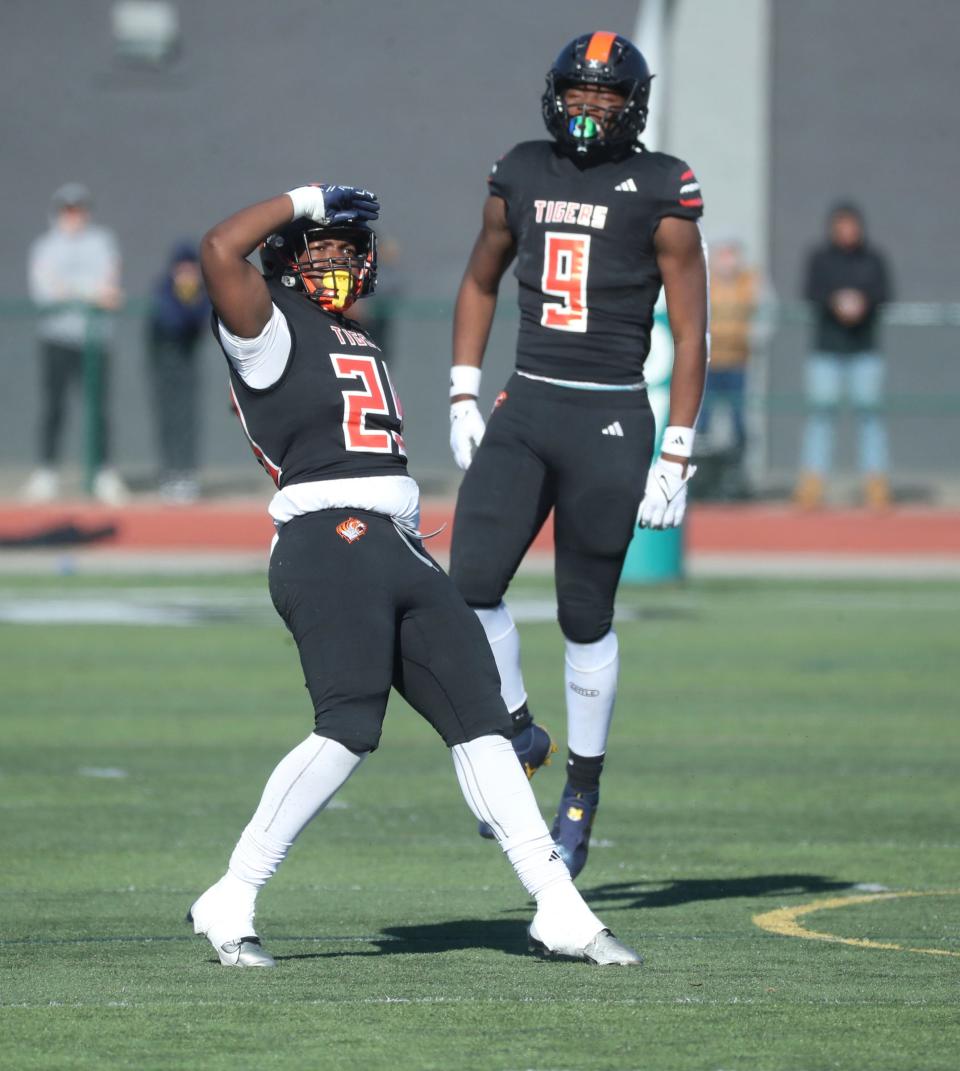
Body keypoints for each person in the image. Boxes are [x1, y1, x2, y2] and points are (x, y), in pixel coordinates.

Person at [188, 182, 641, 968]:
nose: (336, 259)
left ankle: (558, 906)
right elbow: (218, 248)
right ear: (287, 256)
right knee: (349, 726)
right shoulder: (264, 324)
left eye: (347, 247)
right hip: (325, 539)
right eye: (319, 245)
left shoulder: (355, 334)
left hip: (396, 542)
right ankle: (234, 891)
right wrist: (306, 195)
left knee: (482, 721)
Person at [447, 32, 708, 879]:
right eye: (579, 92)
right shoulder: (520, 170)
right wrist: (460, 388)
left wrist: (678, 447)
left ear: (631, 105)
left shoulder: (664, 185)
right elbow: (482, 277)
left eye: (606, 96)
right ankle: (520, 725)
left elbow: (694, 323)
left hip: (609, 419)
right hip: (527, 404)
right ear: (555, 94)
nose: (590, 108)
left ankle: (582, 791)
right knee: (469, 584)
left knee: (582, 613)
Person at [24, 183, 128, 504]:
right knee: (54, 407)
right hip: (56, 338)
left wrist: (72, 289)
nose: (74, 216)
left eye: (79, 209)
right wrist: (87, 292)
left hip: (95, 340)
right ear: (58, 213)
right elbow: (44, 291)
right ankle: (46, 473)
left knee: (98, 410)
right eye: (68, 210)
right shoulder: (44, 246)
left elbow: (109, 288)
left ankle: (103, 473)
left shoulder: (102, 242)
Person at [794, 203, 893, 510]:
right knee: (820, 416)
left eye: (852, 226)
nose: (847, 232)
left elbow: (884, 292)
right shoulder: (820, 258)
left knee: (870, 416)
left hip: (865, 349)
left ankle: (876, 485)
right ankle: (812, 485)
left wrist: (862, 303)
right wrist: (835, 303)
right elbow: (810, 292)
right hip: (826, 349)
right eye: (842, 226)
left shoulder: (873, 259)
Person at [147, 241, 210, 502]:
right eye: (182, 268)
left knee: (187, 419)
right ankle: (170, 473)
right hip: (164, 362)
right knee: (168, 420)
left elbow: (200, 320)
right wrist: (185, 301)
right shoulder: (163, 290)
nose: (186, 274)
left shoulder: (202, 293)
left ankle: (187, 474)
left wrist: (193, 301)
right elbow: (171, 321)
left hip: (188, 362)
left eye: (190, 268)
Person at [699, 239, 758, 497]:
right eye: (723, 255)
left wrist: (752, 340)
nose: (727, 261)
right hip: (707, 364)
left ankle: (738, 478)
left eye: (731, 255)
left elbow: (763, 316)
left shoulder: (750, 282)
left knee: (739, 423)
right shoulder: (703, 280)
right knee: (702, 422)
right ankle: (698, 478)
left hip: (738, 363)